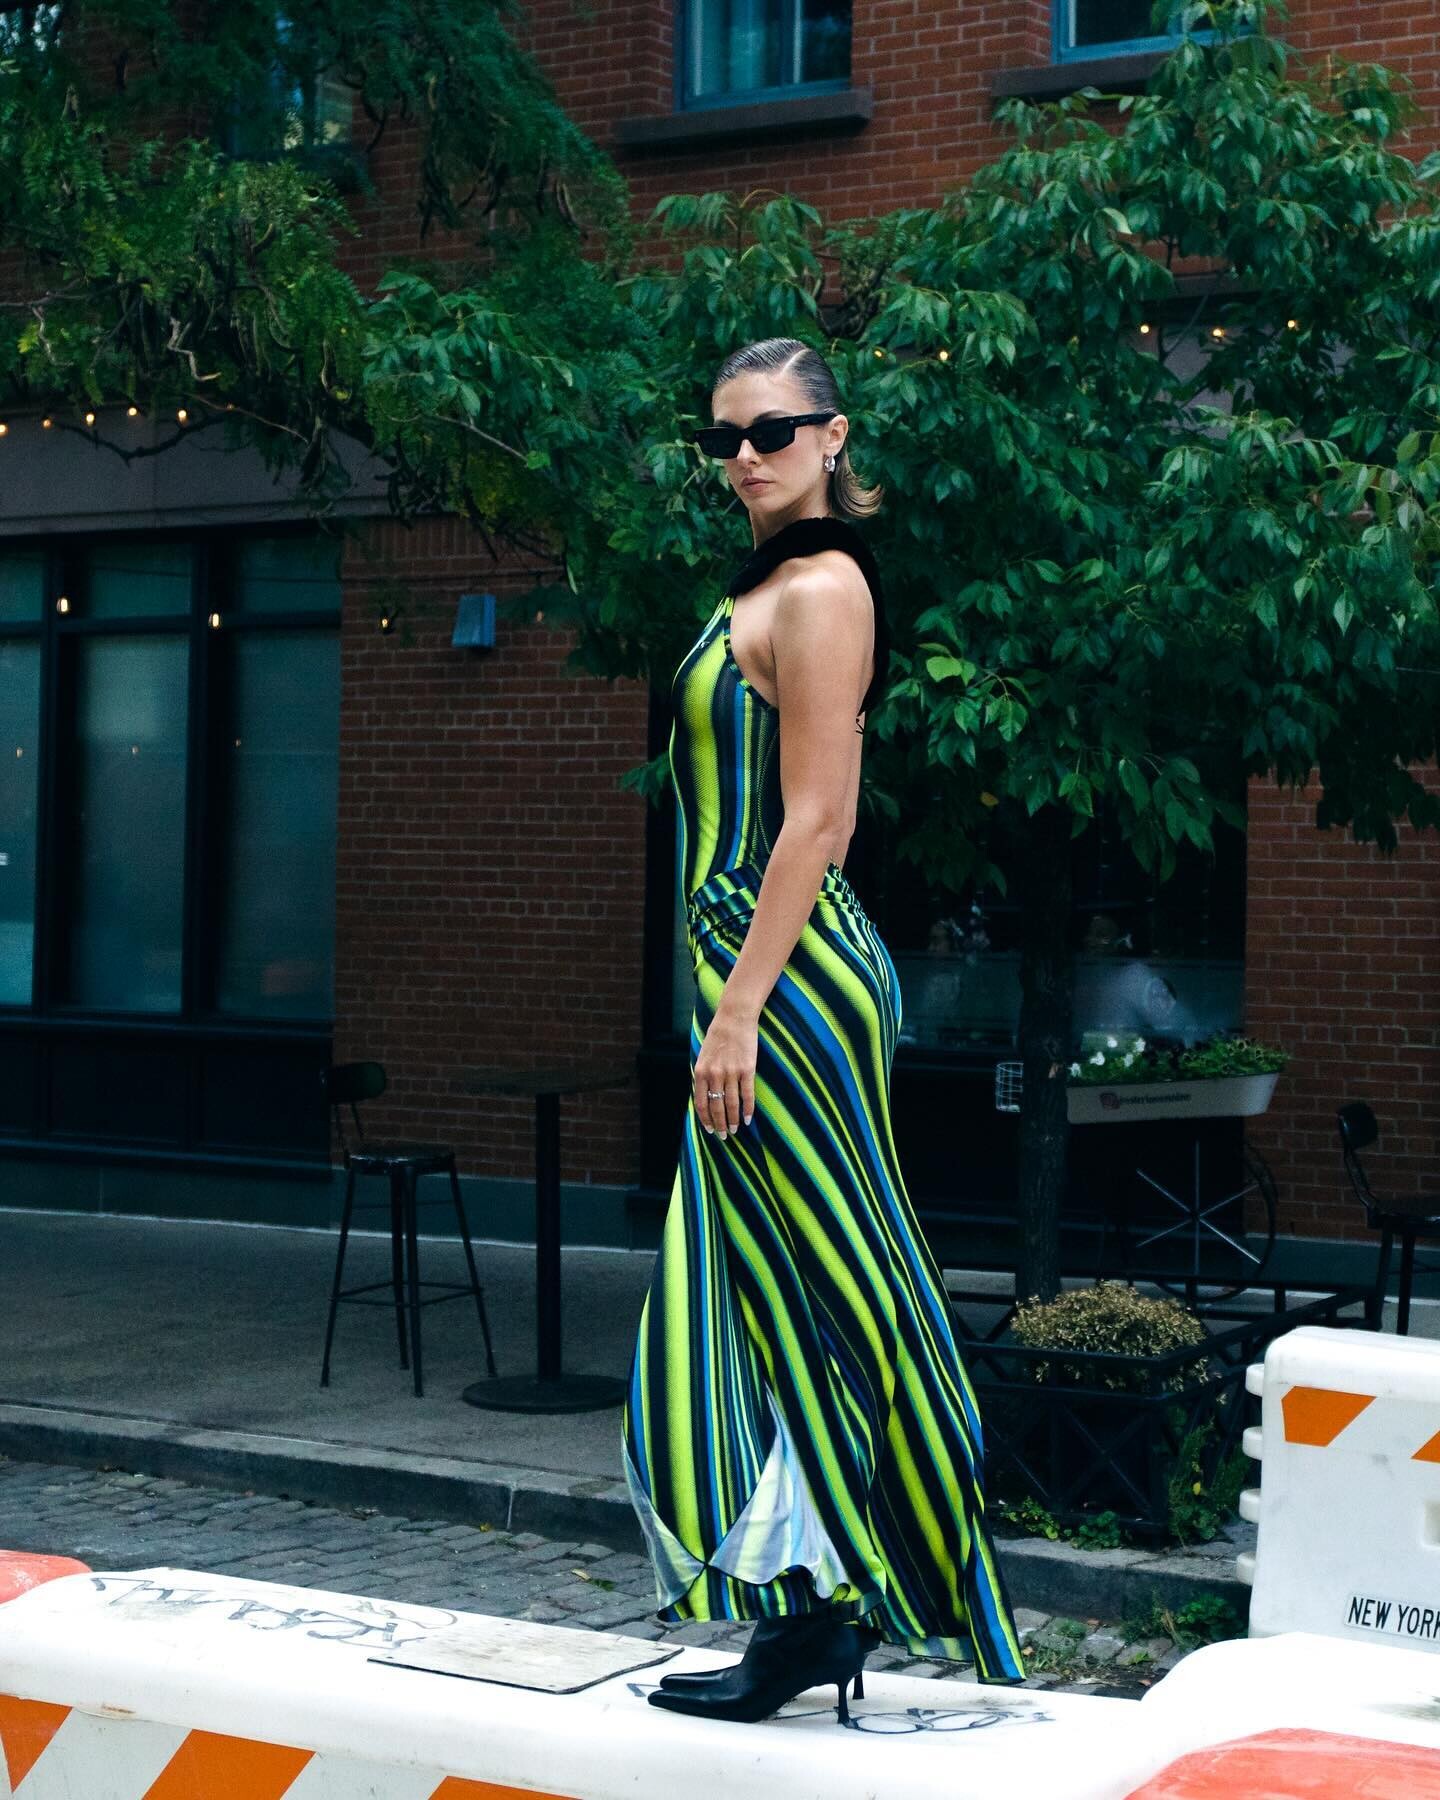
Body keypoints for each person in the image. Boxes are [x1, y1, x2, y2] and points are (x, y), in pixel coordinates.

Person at [622, 336, 1024, 1726]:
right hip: (748, 975)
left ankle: (859, 1587)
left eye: (775, 431)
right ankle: (806, 1614)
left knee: (828, 1285)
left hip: (782, 984)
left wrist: (737, 1011)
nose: (746, 456)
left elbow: (820, 821)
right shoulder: (766, 585)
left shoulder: (824, 587)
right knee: (755, 1294)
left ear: (834, 438)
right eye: (726, 436)